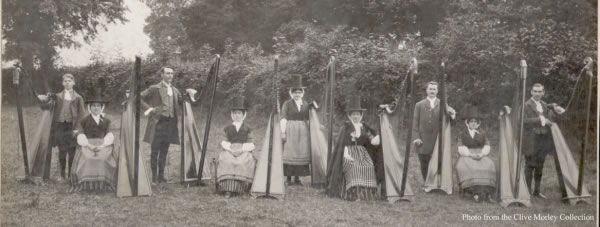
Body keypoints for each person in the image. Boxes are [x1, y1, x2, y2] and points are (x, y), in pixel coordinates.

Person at [140, 67, 196, 185]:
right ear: (162, 75)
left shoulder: (175, 90)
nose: (170, 75)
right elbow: (138, 98)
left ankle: (161, 176)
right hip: (158, 122)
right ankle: (154, 178)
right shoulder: (154, 88)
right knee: (155, 150)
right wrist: (149, 109)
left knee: (164, 150)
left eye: (171, 73)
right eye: (167, 73)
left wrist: (189, 94)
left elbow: (184, 102)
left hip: (170, 124)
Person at [327, 95, 381, 201]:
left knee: (368, 166)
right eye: (354, 114)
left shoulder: (364, 127)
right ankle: (353, 194)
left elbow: (371, 139)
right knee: (354, 167)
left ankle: (366, 195)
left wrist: (377, 138)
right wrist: (346, 155)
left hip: (362, 153)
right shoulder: (346, 127)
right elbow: (342, 145)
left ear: (361, 115)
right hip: (348, 153)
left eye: (358, 114)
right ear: (350, 115)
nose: (356, 116)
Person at [37, 73, 86, 182]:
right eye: (65, 81)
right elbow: (46, 104)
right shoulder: (58, 96)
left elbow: (82, 115)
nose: (67, 83)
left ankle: (71, 175)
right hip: (60, 126)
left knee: (72, 151)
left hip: (72, 127)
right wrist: (43, 98)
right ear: (62, 83)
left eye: (69, 81)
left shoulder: (78, 98)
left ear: (73, 82)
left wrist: (77, 129)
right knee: (62, 150)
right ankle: (62, 175)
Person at [522, 83, 567, 200]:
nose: (537, 94)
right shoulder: (526, 105)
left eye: (539, 91)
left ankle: (536, 191)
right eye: (535, 91)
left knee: (540, 166)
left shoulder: (544, 105)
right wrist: (542, 120)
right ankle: (526, 191)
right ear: (531, 92)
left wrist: (556, 107)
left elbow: (552, 110)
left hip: (543, 139)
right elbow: (524, 121)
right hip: (531, 139)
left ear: (543, 93)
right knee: (529, 165)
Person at [69, 86, 116, 193]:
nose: (96, 108)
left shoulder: (107, 121)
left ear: (101, 107)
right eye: (93, 106)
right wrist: (89, 145)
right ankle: (87, 185)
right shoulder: (84, 120)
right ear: (90, 107)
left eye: (98, 106)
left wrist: (102, 146)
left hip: (103, 144)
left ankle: (103, 184)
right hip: (87, 144)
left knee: (103, 158)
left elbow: (110, 135)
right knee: (88, 158)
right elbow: (80, 134)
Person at [411, 81, 456, 180]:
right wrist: (416, 137)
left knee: (438, 159)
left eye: (434, 89)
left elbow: (449, 120)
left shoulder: (443, 104)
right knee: (424, 160)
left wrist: (452, 114)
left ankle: (436, 181)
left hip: (437, 137)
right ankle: (426, 182)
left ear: (437, 91)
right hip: (423, 138)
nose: (432, 91)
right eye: (430, 89)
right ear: (427, 90)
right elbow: (415, 122)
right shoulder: (419, 105)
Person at [217, 96, 257, 197]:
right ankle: (228, 189)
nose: (237, 115)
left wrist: (242, 149)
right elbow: (223, 142)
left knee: (242, 162)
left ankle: (242, 189)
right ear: (231, 115)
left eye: (239, 113)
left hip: (243, 150)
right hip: (230, 149)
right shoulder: (228, 128)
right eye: (234, 113)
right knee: (227, 161)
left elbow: (251, 143)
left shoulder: (248, 128)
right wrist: (230, 149)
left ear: (243, 115)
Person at [455, 105, 496, 202]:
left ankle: (487, 192)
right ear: (467, 123)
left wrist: (482, 154)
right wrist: (470, 154)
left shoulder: (482, 133)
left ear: (478, 124)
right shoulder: (462, 133)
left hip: (480, 154)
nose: (473, 124)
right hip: (467, 155)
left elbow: (487, 145)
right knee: (471, 167)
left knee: (489, 165)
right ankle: (475, 192)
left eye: (475, 122)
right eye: (471, 122)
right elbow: (460, 147)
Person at [280, 75, 311, 185]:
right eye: (295, 92)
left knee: (300, 152)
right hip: (291, 130)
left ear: (302, 93)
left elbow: (308, 118)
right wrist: (283, 132)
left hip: (302, 132)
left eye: (299, 92)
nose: (297, 94)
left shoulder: (305, 104)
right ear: (291, 93)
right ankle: (288, 179)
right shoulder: (287, 104)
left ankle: (297, 178)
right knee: (290, 152)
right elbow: (283, 118)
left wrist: (312, 129)